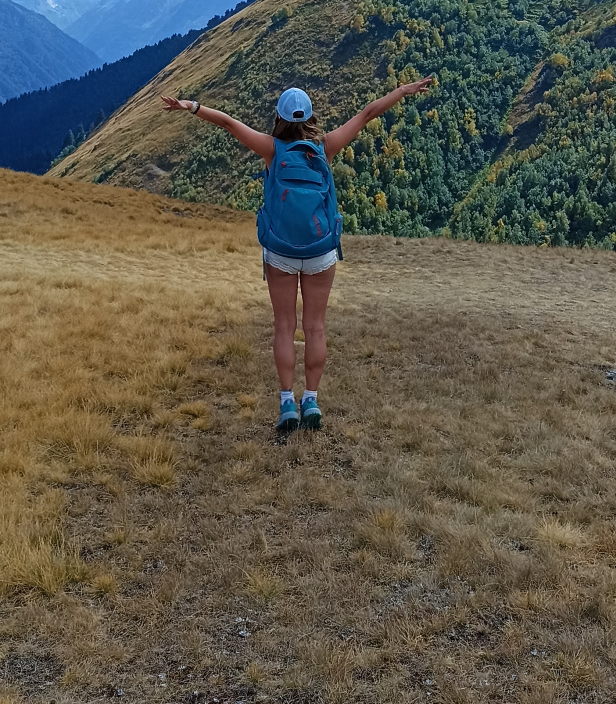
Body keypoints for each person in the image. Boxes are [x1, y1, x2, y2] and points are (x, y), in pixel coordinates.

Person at [161, 76, 436, 435]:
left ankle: (287, 402)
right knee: (315, 326)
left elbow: (228, 123)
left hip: (280, 250)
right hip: (321, 250)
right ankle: (312, 400)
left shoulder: (272, 149)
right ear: (310, 116)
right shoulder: (326, 147)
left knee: (284, 326)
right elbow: (367, 114)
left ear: (278, 117)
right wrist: (402, 91)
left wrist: (192, 106)